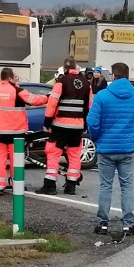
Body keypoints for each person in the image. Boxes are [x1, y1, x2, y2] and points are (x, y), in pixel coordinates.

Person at [87, 62, 134, 235]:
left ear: (113, 75)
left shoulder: (102, 96)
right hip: (127, 147)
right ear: (128, 76)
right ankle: (128, 223)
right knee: (127, 186)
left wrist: (96, 138)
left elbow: (92, 121)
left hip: (106, 147)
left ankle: (102, 223)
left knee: (106, 186)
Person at [0, 67, 48, 195]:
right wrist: (49, 97)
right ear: (10, 78)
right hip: (15, 132)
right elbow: (34, 100)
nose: (16, 78)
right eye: (15, 76)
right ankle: (16, 184)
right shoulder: (17, 90)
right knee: (16, 159)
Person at [37, 57, 92, 196]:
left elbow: (52, 104)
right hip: (78, 125)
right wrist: (85, 124)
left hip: (60, 124)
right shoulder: (86, 83)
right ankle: (71, 186)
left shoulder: (61, 81)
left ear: (65, 69)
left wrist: (47, 123)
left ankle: (50, 185)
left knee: (53, 152)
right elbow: (88, 105)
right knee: (74, 154)